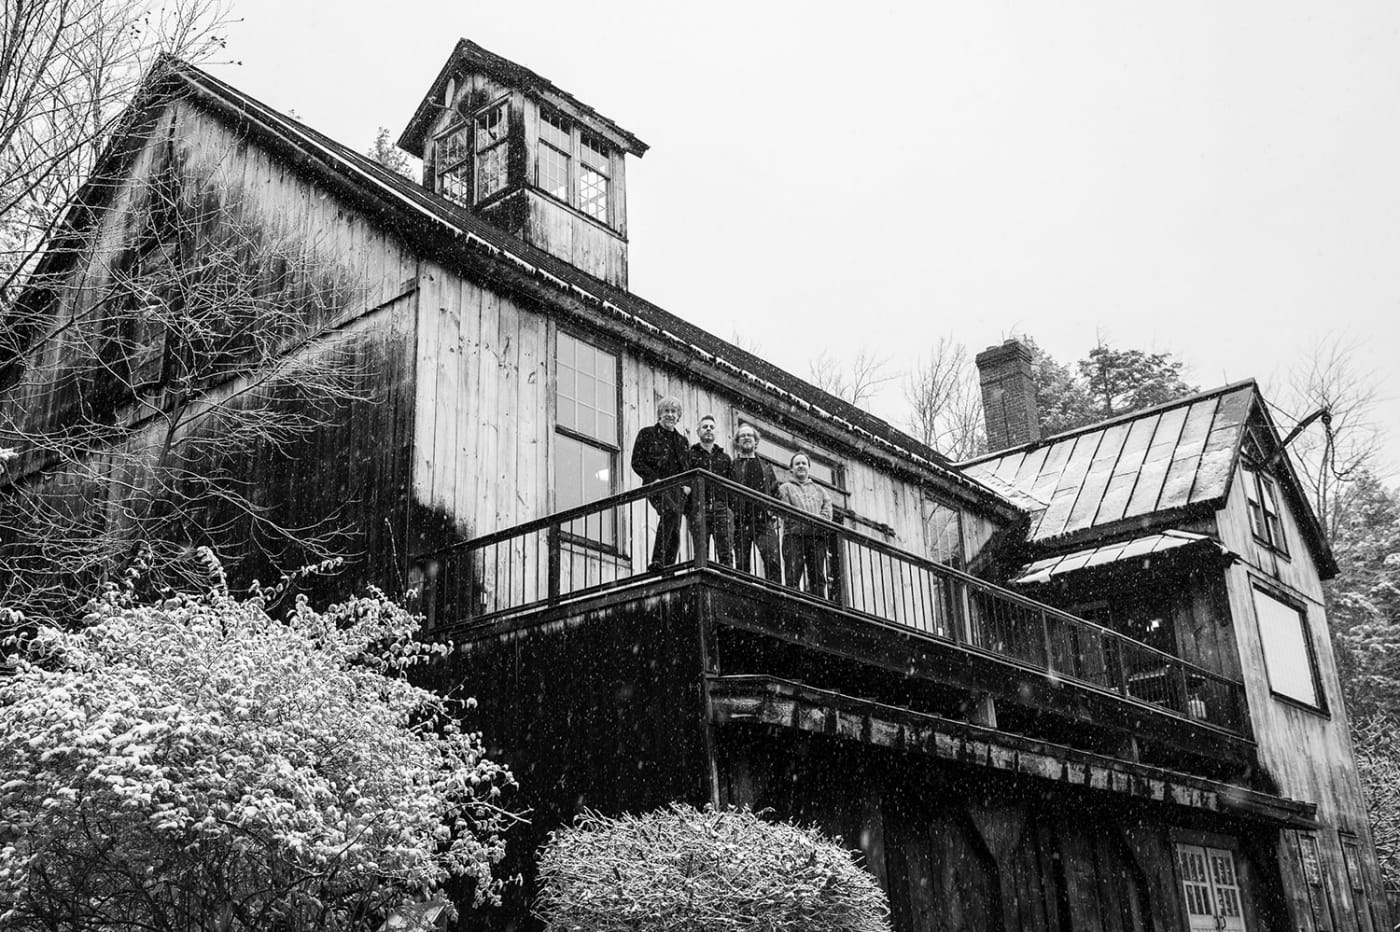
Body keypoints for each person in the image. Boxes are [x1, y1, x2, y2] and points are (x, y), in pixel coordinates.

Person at [630, 396, 690, 570]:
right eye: (666, 411)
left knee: (675, 528)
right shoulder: (647, 434)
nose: (670, 415)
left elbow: (687, 467)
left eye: (674, 412)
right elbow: (637, 461)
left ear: (678, 416)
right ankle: (658, 561)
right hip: (655, 484)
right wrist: (653, 478)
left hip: (677, 489)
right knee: (670, 513)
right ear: (659, 415)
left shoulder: (682, 441)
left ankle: (668, 568)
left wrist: (687, 487)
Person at [729, 423, 781, 581]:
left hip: (763, 520)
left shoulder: (766, 467)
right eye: (742, 436)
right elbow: (728, 493)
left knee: (772, 560)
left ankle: (776, 594)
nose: (746, 438)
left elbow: (775, 493)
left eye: (749, 435)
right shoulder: (732, 466)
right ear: (738, 442)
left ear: (755, 441)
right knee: (742, 564)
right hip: (740, 521)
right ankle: (743, 600)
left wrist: (776, 513)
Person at [778, 450, 833, 598]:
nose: (801, 466)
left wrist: (815, 523)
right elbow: (785, 511)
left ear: (809, 467)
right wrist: (809, 522)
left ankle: (821, 606)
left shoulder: (820, 491)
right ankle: (794, 604)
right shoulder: (785, 488)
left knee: (818, 575)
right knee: (793, 573)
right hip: (793, 536)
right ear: (791, 468)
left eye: (804, 463)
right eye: (797, 463)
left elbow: (827, 514)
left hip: (816, 537)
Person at [687, 414, 734, 566]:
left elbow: (731, 485)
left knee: (725, 551)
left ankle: (728, 582)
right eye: (705, 427)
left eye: (711, 427)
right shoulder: (690, 455)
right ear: (698, 432)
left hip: (721, 508)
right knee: (701, 551)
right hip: (699, 507)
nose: (708, 429)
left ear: (716, 432)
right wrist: (690, 508)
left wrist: (729, 508)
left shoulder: (725, 458)